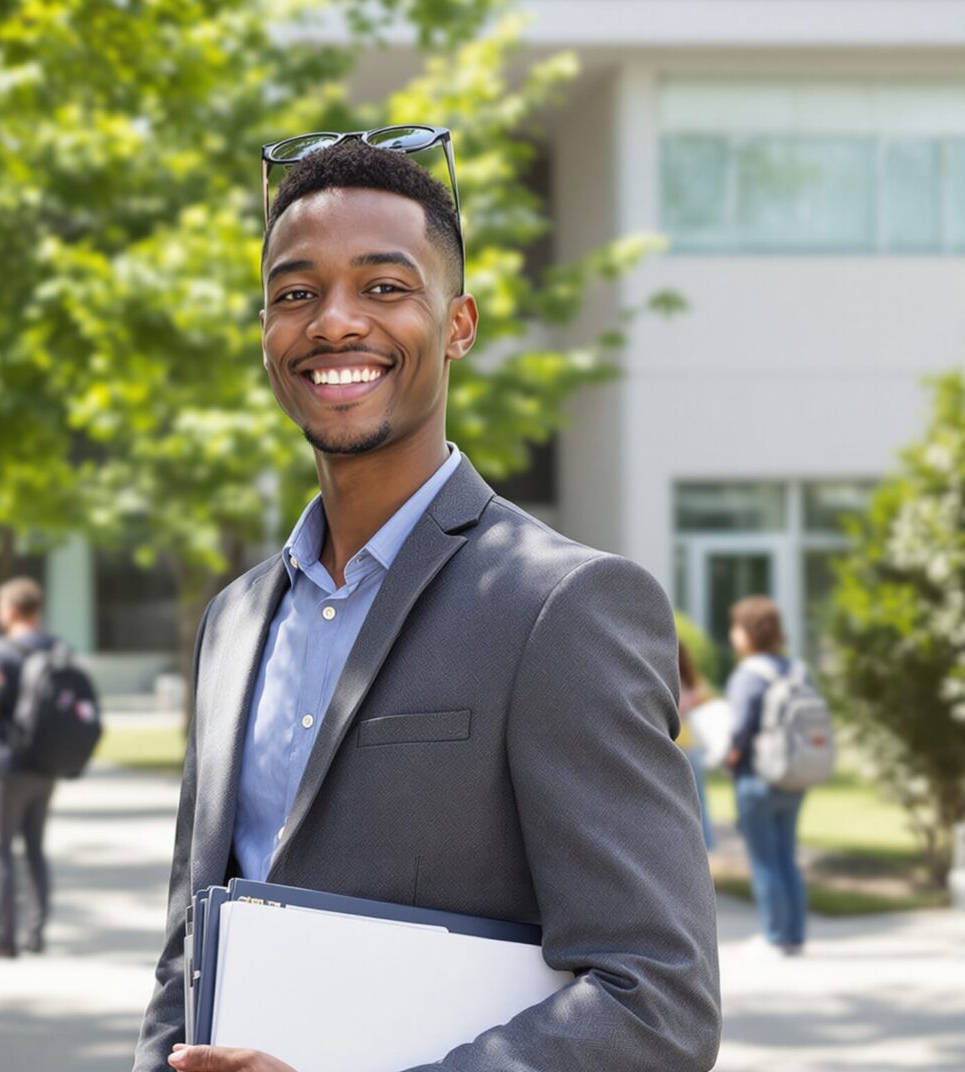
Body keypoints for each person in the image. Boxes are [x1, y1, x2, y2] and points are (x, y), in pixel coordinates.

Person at [136, 136, 719, 1072]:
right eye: (296, 293)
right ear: (264, 331)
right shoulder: (234, 621)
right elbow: (185, 961)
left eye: (383, 287)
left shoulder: (563, 605)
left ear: (458, 325)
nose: (333, 323)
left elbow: (656, 999)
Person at [0, 578, 59, 958]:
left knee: (1, 849)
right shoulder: (55, 648)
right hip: (46, 764)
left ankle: (5, 938)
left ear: (12, 610)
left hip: (8, 764)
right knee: (35, 848)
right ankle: (36, 933)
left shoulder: (0, 652)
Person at [721, 595, 809, 956]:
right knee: (786, 855)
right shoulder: (796, 670)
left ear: (746, 632)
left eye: (735, 626)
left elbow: (740, 727)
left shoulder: (748, 674)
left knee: (763, 859)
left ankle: (773, 937)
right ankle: (795, 935)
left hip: (757, 778)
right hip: (794, 774)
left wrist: (729, 754)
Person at [677, 640, 717, 851]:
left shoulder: (672, 679)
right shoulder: (689, 679)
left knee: (692, 800)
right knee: (698, 800)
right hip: (690, 746)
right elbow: (705, 695)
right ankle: (703, 846)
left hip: (679, 746)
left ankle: (699, 846)